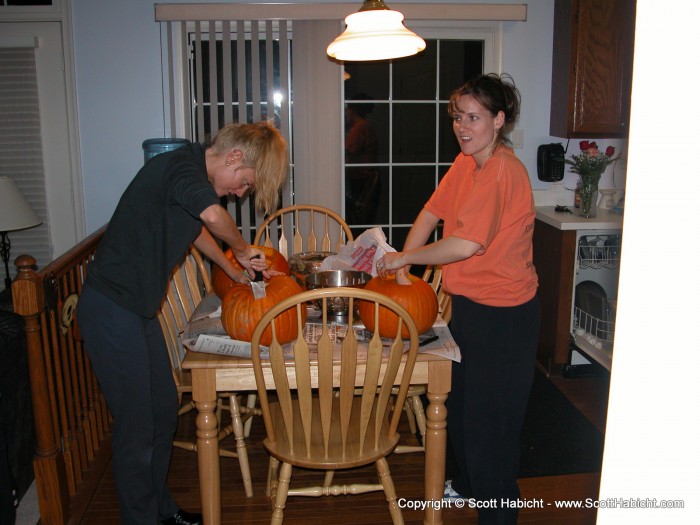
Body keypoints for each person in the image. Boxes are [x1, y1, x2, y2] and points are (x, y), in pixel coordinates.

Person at [76, 121, 288, 525]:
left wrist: (230, 265)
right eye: (245, 183)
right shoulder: (181, 167)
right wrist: (242, 249)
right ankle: (141, 519)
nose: (240, 193)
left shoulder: (190, 176)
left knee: (162, 410)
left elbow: (196, 230)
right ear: (234, 157)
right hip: (109, 308)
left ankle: (162, 511)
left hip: (136, 309)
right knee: (137, 426)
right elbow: (210, 216)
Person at [375, 73, 539, 525]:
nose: (463, 127)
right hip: (470, 307)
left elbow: (466, 244)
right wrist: (404, 262)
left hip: (505, 317)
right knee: (463, 411)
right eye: (457, 117)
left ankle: (499, 516)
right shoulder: (467, 162)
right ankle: (468, 487)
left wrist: (405, 257)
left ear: (498, 120)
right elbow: (432, 211)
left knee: (492, 429)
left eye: (473, 117)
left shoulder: (502, 170)